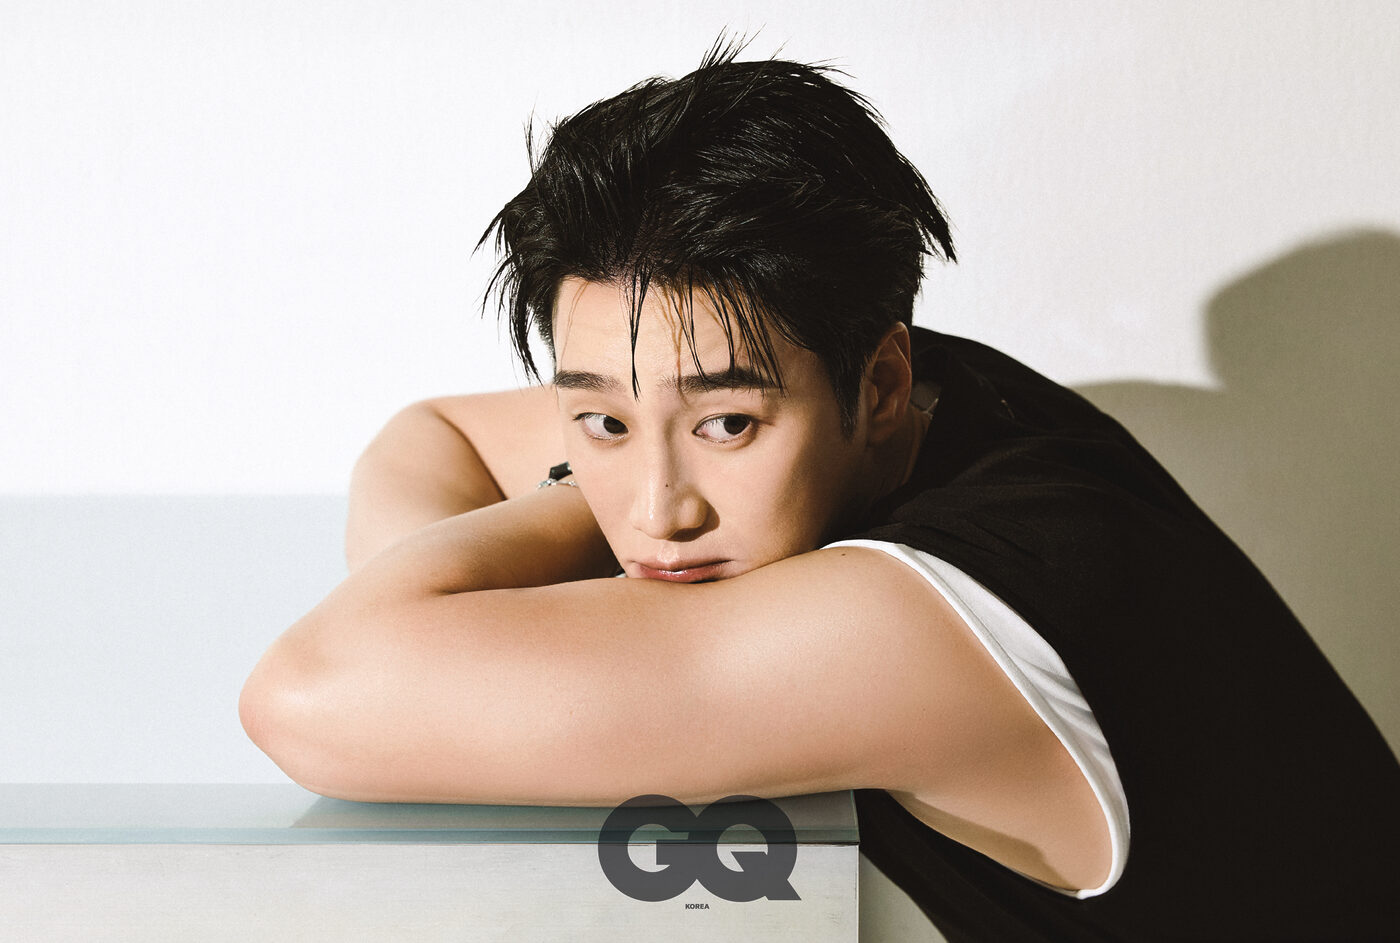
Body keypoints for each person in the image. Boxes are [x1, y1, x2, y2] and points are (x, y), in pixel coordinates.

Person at [239, 42, 1400, 940]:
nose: (658, 509)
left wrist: (506, 628)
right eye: (600, 420)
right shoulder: (914, 388)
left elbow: (307, 694)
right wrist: (525, 605)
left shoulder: (938, 612)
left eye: (726, 425)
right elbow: (430, 433)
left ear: (878, 383)